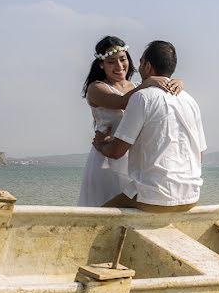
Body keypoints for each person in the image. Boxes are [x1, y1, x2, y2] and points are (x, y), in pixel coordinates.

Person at [93, 40, 206, 213]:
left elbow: (116, 151)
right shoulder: (190, 100)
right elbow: (199, 155)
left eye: (139, 62)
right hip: (191, 196)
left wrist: (100, 145)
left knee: (97, 218)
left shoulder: (141, 96)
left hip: (149, 190)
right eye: (111, 61)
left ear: (147, 66)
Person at [77, 36, 181, 206]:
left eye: (122, 59)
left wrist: (177, 83)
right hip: (107, 158)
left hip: (134, 160)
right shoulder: (96, 88)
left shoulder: (138, 86)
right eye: (111, 62)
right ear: (101, 64)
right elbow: (122, 102)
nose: (119, 66)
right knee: (104, 211)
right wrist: (148, 82)